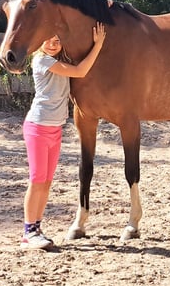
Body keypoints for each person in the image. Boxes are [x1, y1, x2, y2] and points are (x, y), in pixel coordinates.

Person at [21, 23, 107, 250]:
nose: (52, 44)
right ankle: (28, 232)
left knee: (46, 182)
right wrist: (98, 44)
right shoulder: (42, 61)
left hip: (54, 128)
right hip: (38, 127)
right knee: (37, 180)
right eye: (48, 40)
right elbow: (80, 71)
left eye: (57, 41)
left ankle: (36, 228)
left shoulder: (61, 61)